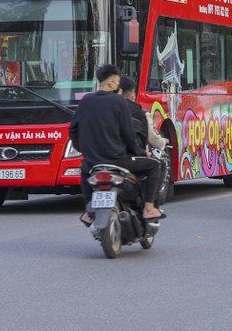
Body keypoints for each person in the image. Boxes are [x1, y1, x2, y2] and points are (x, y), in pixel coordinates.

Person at [69, 64, 164, 226]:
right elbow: (128, 134)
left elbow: (73, 130)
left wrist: (84, 150)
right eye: (118, 82)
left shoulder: (85, 100)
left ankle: (87, 211)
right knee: (155, 164)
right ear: (112, 83)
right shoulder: (118, 101)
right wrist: (140, 152)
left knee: (85, 171)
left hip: (93, 162)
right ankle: (149, 208)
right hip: (118, 160)